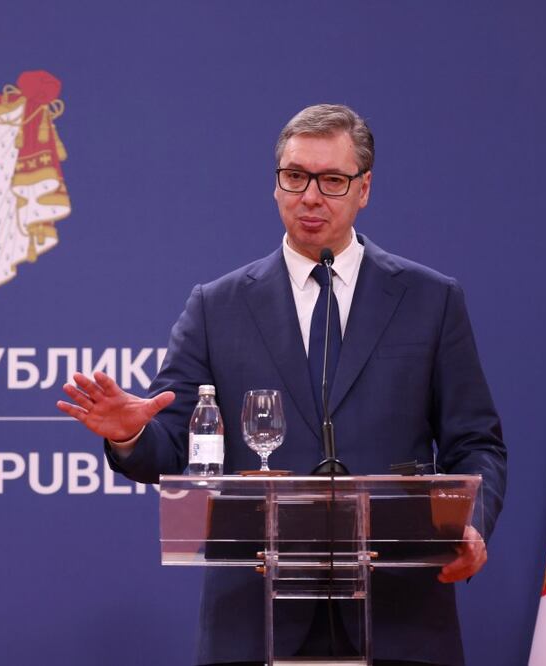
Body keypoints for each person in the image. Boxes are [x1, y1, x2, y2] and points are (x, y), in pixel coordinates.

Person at [57, 103, 507, 666]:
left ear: (363, 189)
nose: (310, 196)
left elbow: (476, 444)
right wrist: (129, 436)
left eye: (332, 181)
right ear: (276, 186)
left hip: (400, 618)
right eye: (295, 177)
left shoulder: (430, 300)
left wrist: (469, 523)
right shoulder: (217, 306)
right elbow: (174, 448)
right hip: (256, 624)